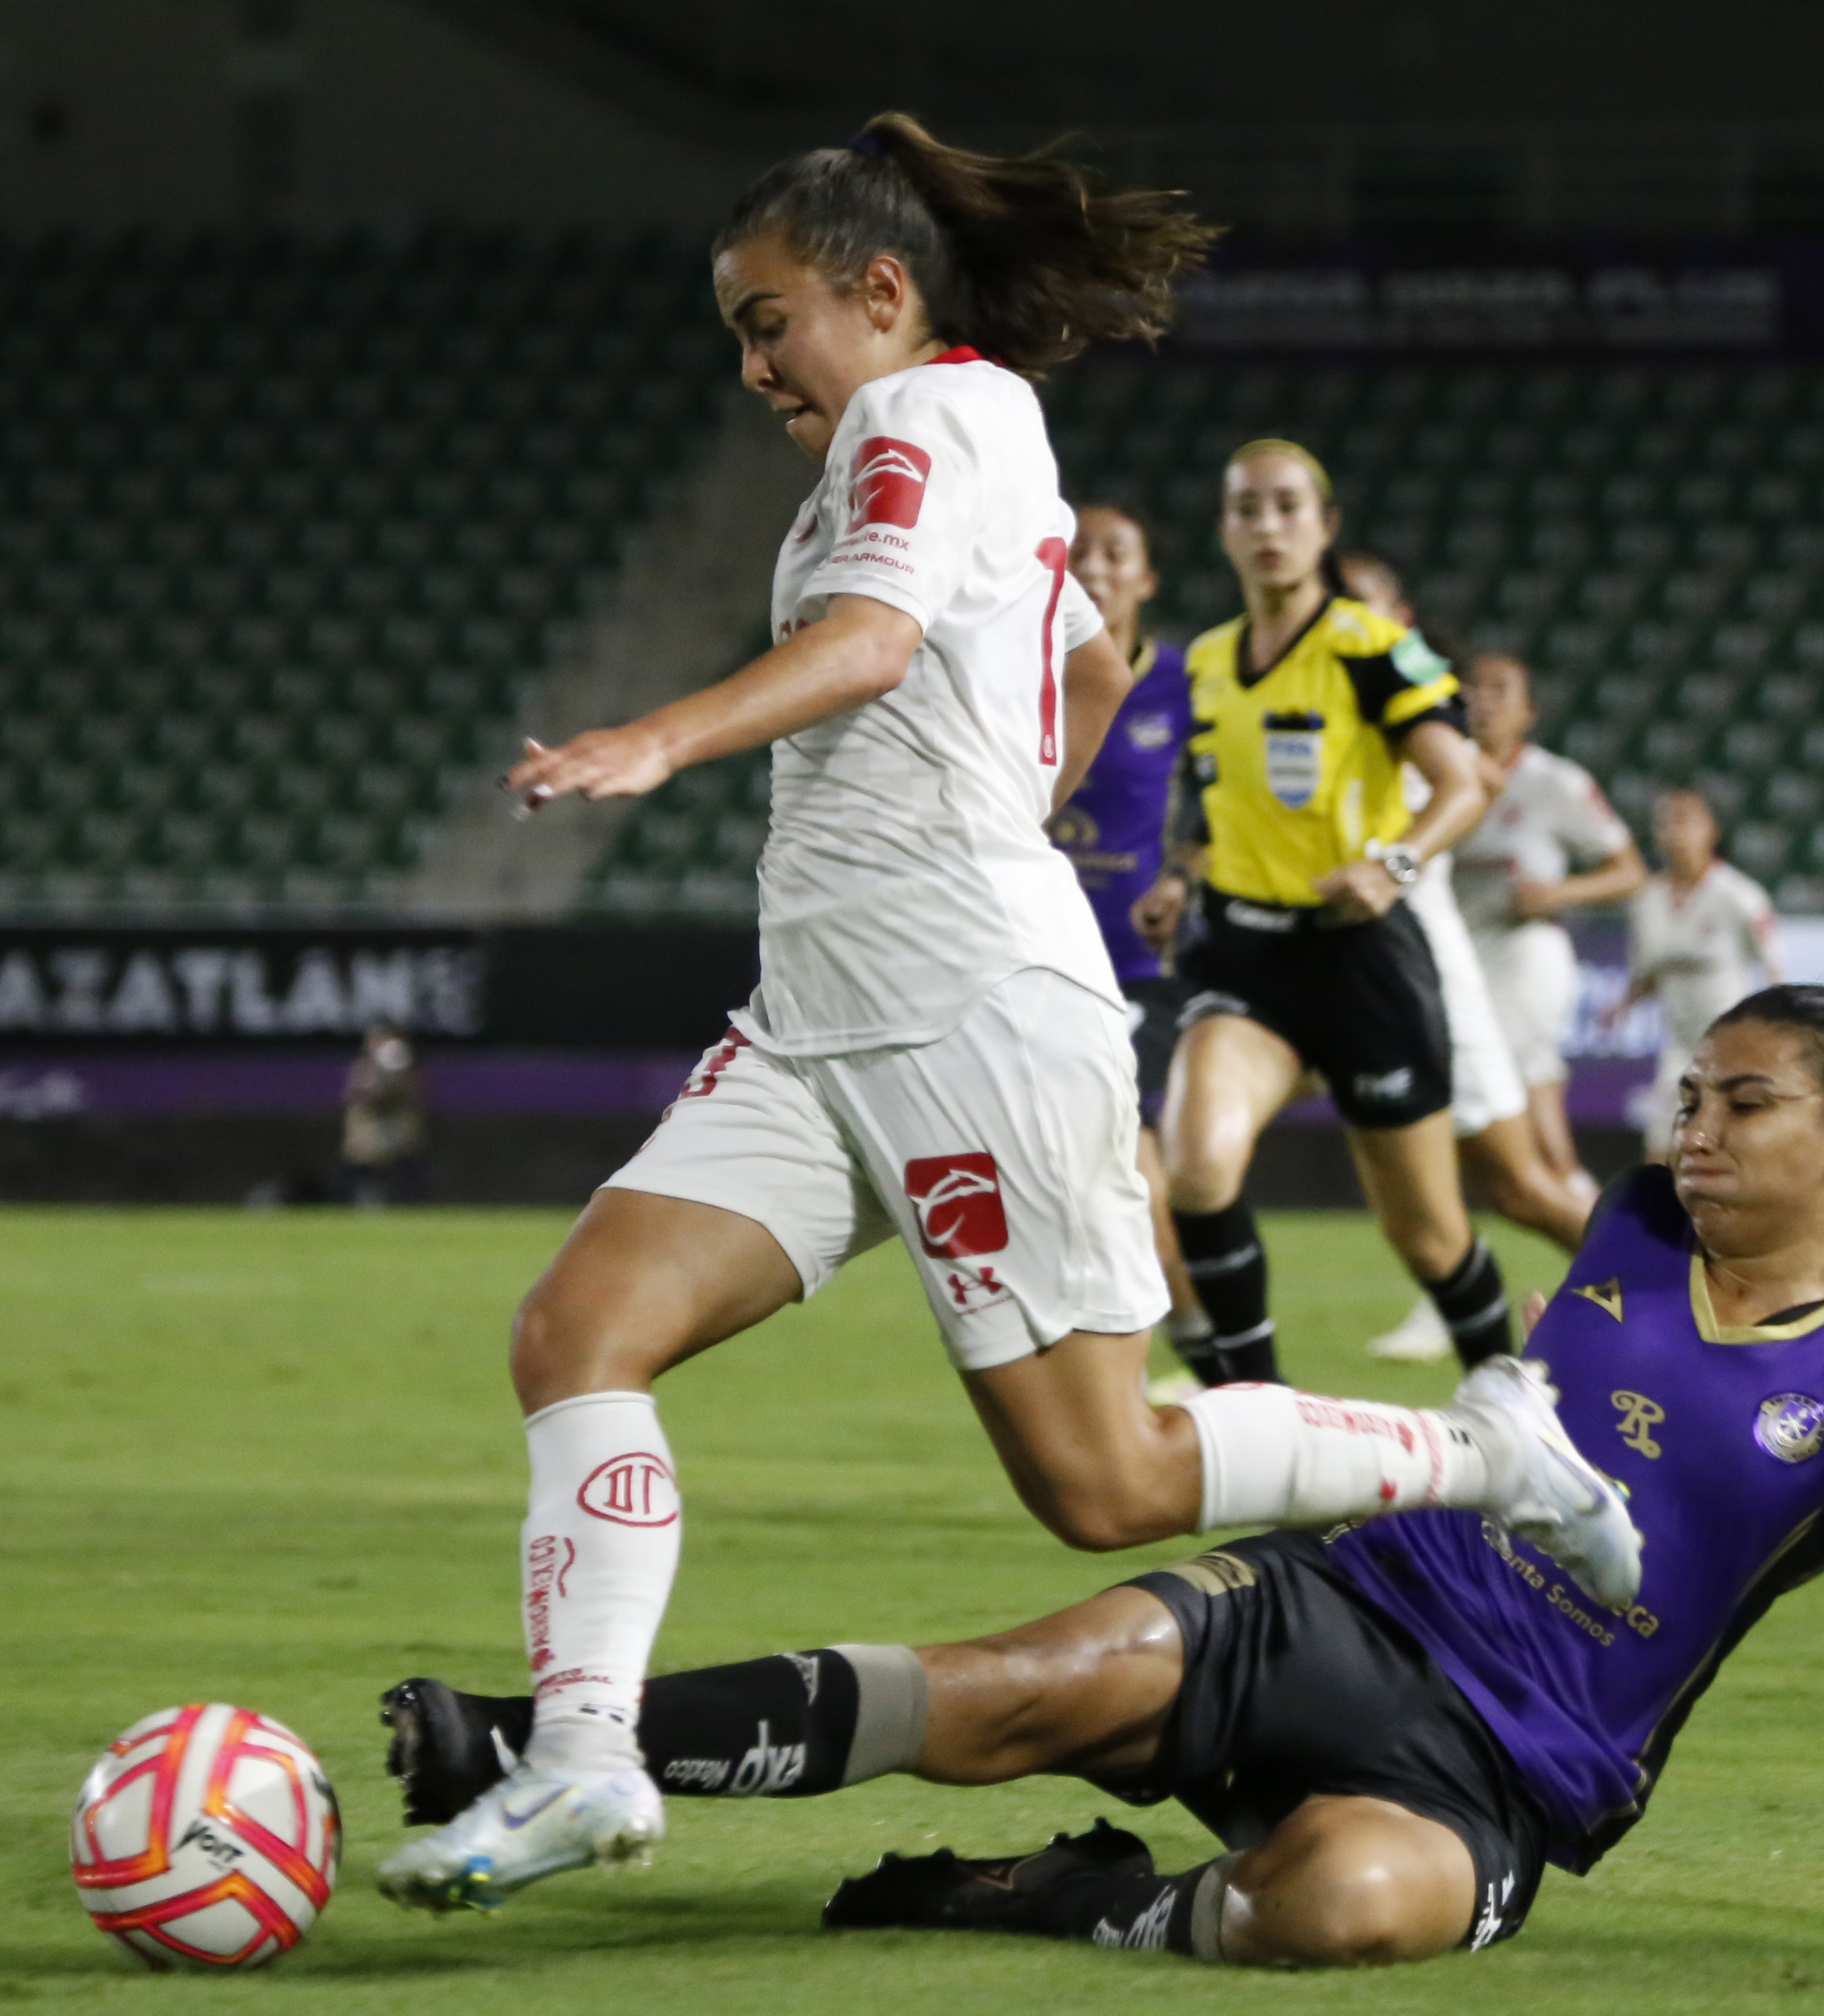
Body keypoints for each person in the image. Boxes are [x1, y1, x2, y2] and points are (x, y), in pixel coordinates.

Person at [376, 119, 1638, 1916]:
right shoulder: (948, 439)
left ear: (879, 290)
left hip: (963, 1002)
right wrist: (1007, 794)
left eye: (766, 321)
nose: (748, 367)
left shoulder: (924, 414)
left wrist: (657, 739)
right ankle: (584, 1760)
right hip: (818, 1011)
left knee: (1106, 1481)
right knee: (576, 1327)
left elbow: (881, 646)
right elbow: (1088, 665)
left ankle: (1490, 1449)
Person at [378, 927, 1824, 1970]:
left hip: (1508, 1774)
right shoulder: (1628, 1217)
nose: (1690, 1131)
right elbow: (1416, 1152)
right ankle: (522, 1742)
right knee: (1012, 1686)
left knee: (1340, 1909)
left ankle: (1062, 1899)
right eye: (1691, 1097)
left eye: (1742, 1107)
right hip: (1338, 1602)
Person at [1127, 447, 1527, 1385]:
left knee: (1428, 1237)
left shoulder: (1370, 646)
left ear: (1323, 525)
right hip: (1245, 962)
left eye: (1286, 507)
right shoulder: (1211, 664)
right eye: (1246, 509)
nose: (1267, 526)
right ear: (1224, 529)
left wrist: (1392, 864)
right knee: (1195, 1167)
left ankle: (1515, 1414)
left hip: (1362, 964)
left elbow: (1461, 782)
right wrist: (1181, 879)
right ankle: (1259, 1420)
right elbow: (1211, 806)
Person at [1324, 553, 1618, 1365]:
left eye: (1363, 602)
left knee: (1519, 1182)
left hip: (1426, 964)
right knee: (1421, 1200)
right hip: (1325, 967)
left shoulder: (1406, 681)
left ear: (1400, 618)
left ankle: (1680, 1286)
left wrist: (1397, 860)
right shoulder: (1289, 685)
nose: (1339, 612)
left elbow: (1478, 777)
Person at [1046, 500, 1212, 1385]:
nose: (1095, 567)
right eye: (1078, 552)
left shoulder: (1182, 685)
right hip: (1034, 960)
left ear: (1146, 579)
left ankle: (1200, 1352)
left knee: (1133, 1164)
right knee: (1080, 1173)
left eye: (1116, 553)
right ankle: (1187, 1351)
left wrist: (1184, 874)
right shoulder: (1018, 672)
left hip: (1140, 969)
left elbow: (1225, 806)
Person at [1452, 648, 1647, 1199]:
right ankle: (1597, 1240)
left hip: (1523, 960)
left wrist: (1560, 892)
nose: (1482, 702)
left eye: (1498, 690)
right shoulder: (1435, 773)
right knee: (1545, 1141)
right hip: (1459, 961)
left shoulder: (1554, 782)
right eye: (1471, 688)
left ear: (1528, 714)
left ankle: (1455, 1270)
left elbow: (1629, 871)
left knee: (1466, 1104)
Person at [1621, 786, 1776, 1163]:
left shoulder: (1738, 895)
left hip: (1732, 1043)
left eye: (1686, 820)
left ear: (1712, 830)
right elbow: (1649, 971)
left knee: (1734, 1143)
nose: (1676, 831)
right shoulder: (1647, 900)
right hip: (1679, 1043)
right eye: (1666, 821)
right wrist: (1623, 1005)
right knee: (1661, 1148)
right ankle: (1663, 1222)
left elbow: (1772, 966)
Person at [338, 1024, 427, 1207]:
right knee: (361, 1179)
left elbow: (413, 1095)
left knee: (405, 1177)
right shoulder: (362, 1069)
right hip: (367, 1139)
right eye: (374, 1041)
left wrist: (395, 1077)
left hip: (397, 1137)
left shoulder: (403, 1068)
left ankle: (405, 1207)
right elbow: (353, 1098)